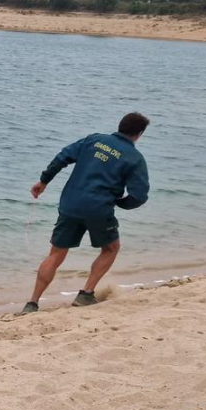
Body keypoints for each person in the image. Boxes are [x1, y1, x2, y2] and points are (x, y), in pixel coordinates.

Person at [20, 112, 151, 314]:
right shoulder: (135, 158)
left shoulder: (94, 140)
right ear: (139, 134)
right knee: (111, 248)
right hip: (99, 209)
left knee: (56, 253)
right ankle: (86, 293)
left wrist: (44, 180)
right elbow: (140, 195)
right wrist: (121, 203)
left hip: (70, 203)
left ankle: (32, 303)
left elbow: (62, 157)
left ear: (120, 125)